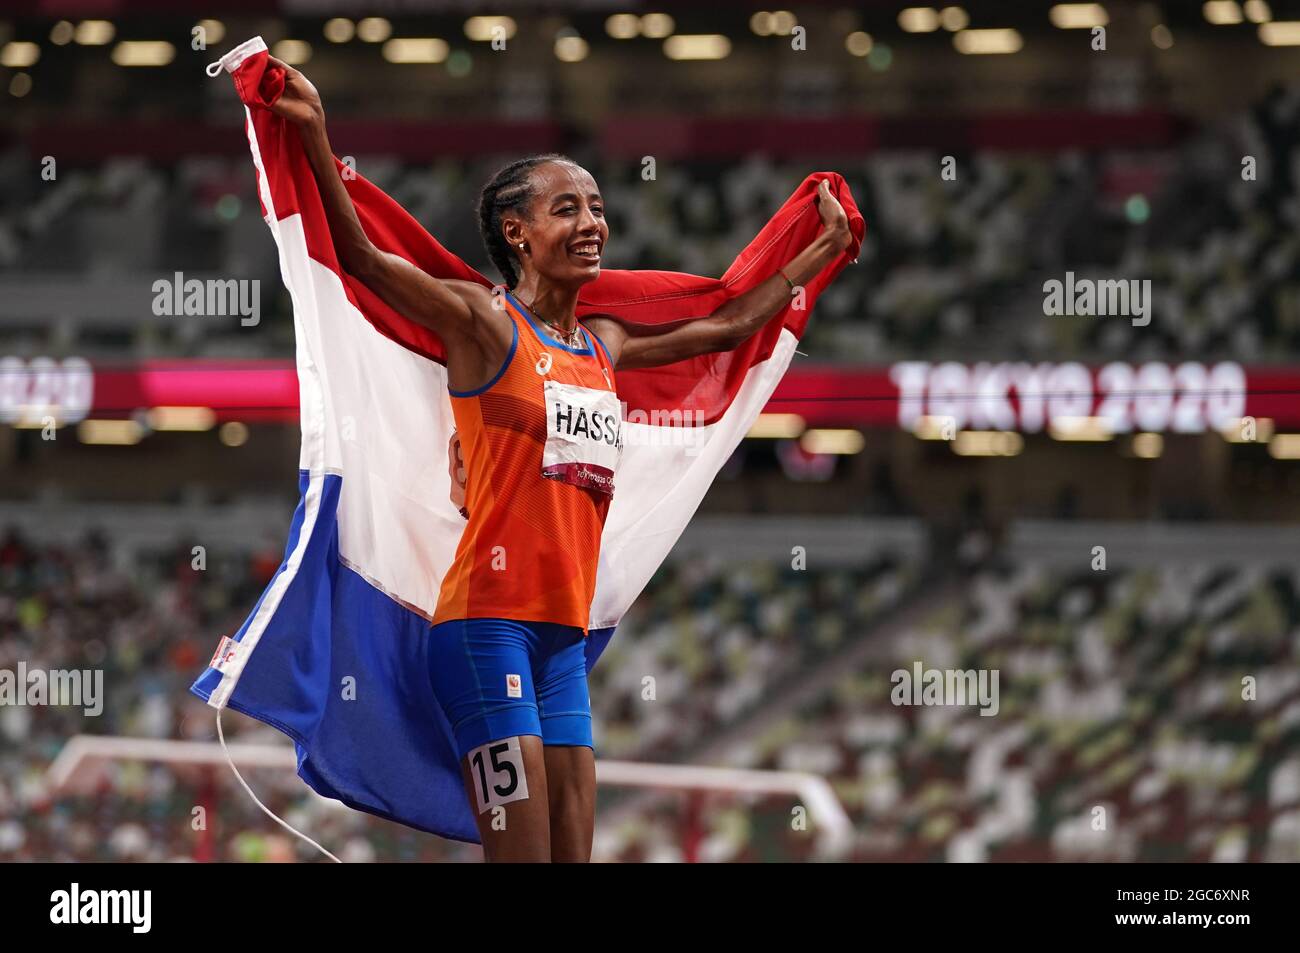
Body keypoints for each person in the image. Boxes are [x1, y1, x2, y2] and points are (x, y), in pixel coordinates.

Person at [264, 56, 852, 861]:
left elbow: (728, 326)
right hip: (485, 631)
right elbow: (364, 259)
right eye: (565, 207)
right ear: (518, 233)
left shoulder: (605, 343)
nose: (592, 222)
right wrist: (317, 135)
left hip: (560, 644)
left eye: (598, 207)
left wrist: (821, 253)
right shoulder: (483, 323)